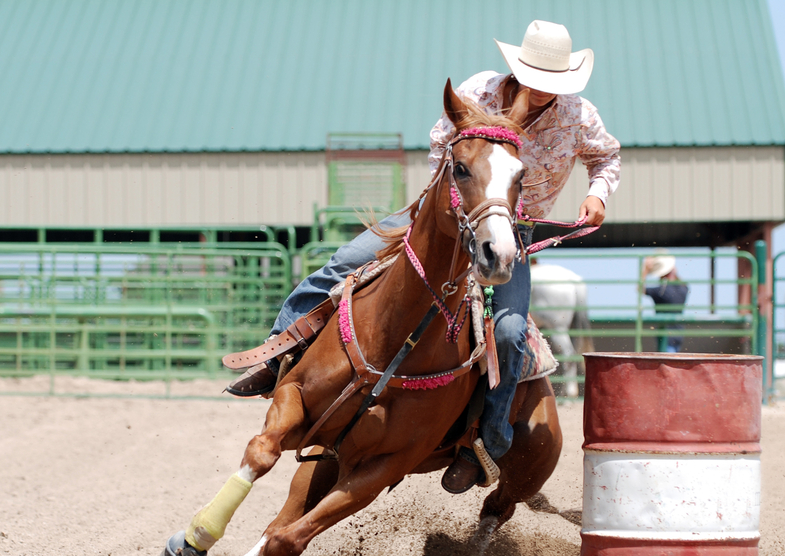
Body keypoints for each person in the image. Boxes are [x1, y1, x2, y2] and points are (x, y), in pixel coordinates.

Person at [228, 19, 621, 493]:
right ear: (519, 70)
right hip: (440, 215)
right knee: (343, 262)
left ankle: (488, 441)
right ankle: (279, 355)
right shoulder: (479, 91)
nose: (542, 90)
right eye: (536, 78)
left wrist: (598, 193)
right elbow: (441, 142)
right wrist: (448, 207)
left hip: (509, 231)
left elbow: (606, 158)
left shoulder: (579, 116)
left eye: (552, 82)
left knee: (512, 331)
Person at [641, 254, 689, 352]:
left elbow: (640, 289)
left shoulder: (661, 292)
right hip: (678, 333)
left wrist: (645, 270)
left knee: (665, 364)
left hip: (665, 336)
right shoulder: (684, 289)